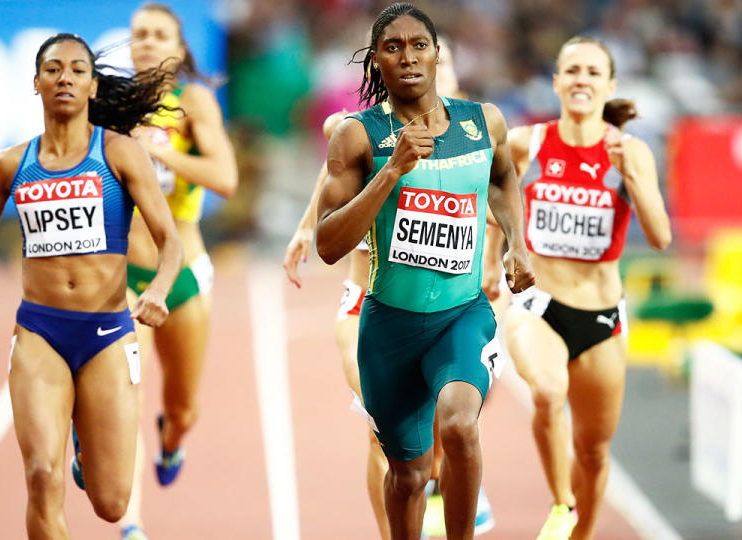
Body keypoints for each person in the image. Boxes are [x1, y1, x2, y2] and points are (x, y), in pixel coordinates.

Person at [0, 33, 182, 538]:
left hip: (107, 332)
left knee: (112, 502)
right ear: (36, 83)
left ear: (94, 86)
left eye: (78, 70)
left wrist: (160, 289)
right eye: (53, 70)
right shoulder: (11, 165)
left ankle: (86, 443)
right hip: (40, 331)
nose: (65, 78)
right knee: (40, 475)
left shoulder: (119, 154)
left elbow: (170, 243)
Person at [316, 3, 535, 539]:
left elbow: (505, 178)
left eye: (419, 45)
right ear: (375, 62)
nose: (408, 57)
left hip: (462, 315)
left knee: (459, 425)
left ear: (438, 54)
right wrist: (391, 171)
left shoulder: (482, 122)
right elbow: (327, 242)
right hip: (389, 327)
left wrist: (515, 246)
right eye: (393, 47)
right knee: (410, 475)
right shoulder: (356, 136)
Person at [283, 37, 495, 540]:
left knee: (450, 418)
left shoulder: (469, 130)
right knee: (386, 441)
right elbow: (332, 170)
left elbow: (491, 199)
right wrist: (305, 228)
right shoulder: (361, 129)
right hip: (368, 306)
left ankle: (451, 481)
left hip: (449, 305)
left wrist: (495, 255)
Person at [69, 3, 238, 539]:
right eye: (138, 33)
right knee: (124, 394)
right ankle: (132, 524)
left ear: (180, 47)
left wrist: (153, 153)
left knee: (182, 405)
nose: (145, 41)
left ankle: (173, 438)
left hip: (183, 272)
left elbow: (226, 178)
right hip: (119, 275)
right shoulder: (108, 102)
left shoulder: (192, 102)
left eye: (159, 33)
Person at [496, 35, 671, 540]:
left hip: (601, 319)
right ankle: (561, 505)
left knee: (594, 452)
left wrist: (630, 176)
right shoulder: (530, 142)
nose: (581, 81)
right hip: (538, 306)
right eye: (571, 71)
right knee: (548, 394)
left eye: (593, 73)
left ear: (610, 85)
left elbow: (660, 237)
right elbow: (491, 193)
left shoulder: (632, 152)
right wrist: (495, 256)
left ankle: (580, 533)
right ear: (555, 81)